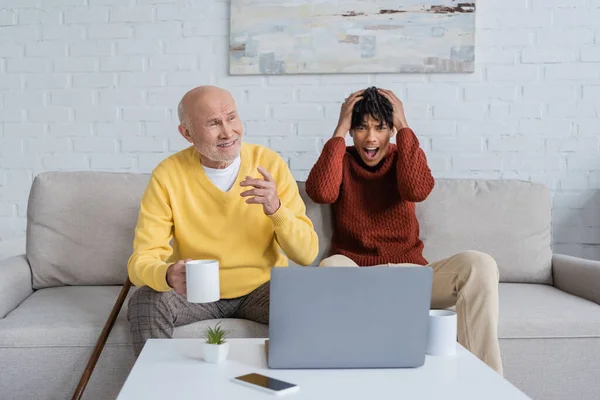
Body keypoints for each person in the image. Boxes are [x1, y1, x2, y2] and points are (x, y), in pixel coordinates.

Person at [305, 86, 503, 375]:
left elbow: (417, 189)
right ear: (351, 131)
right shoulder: (341, 161)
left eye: (381, 128)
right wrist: (339, 130)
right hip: (359, 278)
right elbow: (321, 191)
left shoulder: (402, 158)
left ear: (392, 130)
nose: (371, 137)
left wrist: (405, 127)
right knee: (330, 265)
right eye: (360, 128)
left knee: (480, 264)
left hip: (412, 278)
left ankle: (487, 385)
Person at [126, 85, 319, 356]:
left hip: (261, 288)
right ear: (187, 134)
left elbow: (308, 254)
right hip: (196, 292)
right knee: (144, 301)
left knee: (310, 298)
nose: (228, 132)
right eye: (213, 123)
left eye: (231, 117)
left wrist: (276, 209)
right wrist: (167, 275)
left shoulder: (269, 164)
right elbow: (140, 261)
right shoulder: (167, 175)